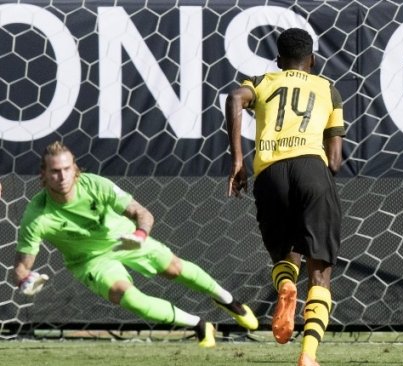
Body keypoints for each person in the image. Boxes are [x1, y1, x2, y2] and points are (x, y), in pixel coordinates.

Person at [14, 141, 258, 347]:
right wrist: (26, 279)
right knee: (128, 297)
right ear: (43, 174)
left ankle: (228, 301)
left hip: (127, 237)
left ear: (75, 168)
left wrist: (140, 235)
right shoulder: (37, 216)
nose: (62, 176)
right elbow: (21, 267)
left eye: (67, 168)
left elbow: (143, 213)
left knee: (174, 268)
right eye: (55, 171)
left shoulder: (95, 185)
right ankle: (199, 325)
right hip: (91, 262)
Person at [225, 28, 345, 366]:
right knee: (319, 272)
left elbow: (234, 98)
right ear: (313, 61)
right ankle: (308, 355)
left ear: (279, 61)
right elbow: (334, 160)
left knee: (284, 259)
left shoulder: (263, 81)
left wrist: (237, 161)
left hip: (270, 173)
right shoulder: (327, 88)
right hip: (312, 169)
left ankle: (284, 289)